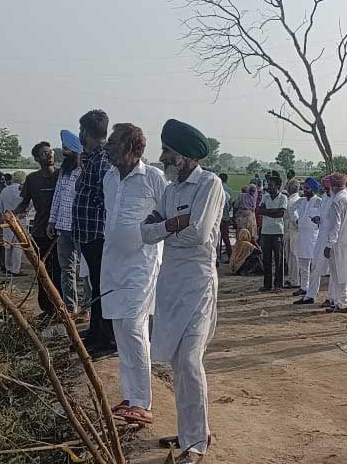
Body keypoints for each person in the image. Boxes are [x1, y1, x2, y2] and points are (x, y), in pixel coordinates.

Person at [141, 118, 227, 464]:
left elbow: (200, 234)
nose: (163, 157)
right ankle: (192, 430)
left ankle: (195, 445)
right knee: (178, 364)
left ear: (186, 156)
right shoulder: (170, 189)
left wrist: (166, 228)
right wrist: (174, 224)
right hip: (171, 283)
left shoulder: (210, 184)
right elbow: (144, 233)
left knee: (190, 361)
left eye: (168, 152)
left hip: (198, 284)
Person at [102, 122, 167, 425]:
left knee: (133, 326)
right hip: (112, 263)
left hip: (142, 264)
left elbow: (168, 214)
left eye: (113, 143)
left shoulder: (154, 178)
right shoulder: (109, 178)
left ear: (132, 148)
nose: (108, 147)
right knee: (120, 329)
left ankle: (142, 402)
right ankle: (130, 396)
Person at [72, 109, 115, 356]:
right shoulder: (92, 157)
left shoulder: (102, 160)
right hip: (89, 234)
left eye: (81, 131)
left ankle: (107, 339)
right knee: (95, 286)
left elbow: (105, 198)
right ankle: (96, 332)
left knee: (102, 286)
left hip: (98, 234)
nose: (79, 135)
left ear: (87, 132)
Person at [17, 141, 64, 315]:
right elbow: (25, 203)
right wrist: (12, 214)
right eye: (44, 153)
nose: (49, 155)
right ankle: (46, 307)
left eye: (50, 152)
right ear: (37, 158)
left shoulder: (62, 175)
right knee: (42, 272)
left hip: (60, 233)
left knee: (60, 271)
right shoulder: (32, 179)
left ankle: (60, 307)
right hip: (40, 232)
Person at [48, 133, 83, 318]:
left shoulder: (85, 170)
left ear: (76, 151)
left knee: (84, 270)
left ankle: (87, 309)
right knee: (66, 269)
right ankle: (71, 308)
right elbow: (57, 197)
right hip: (62, 226)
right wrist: (52, 221)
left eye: (66, 149)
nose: (63, 152)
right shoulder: (64, 171)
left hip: (80, 227)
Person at [317, 173, 347, 313]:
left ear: (333, 187)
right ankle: (338, 301)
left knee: (338, 274)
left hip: (339, 242)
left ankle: (342, 303)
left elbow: (335, 225)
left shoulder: (337, 200)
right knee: (343, 274)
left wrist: (329, 244)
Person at [299, 176, 335, 306]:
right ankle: (310, 295)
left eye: (328, 188)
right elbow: (322, 215)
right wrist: (318, 218)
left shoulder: (338, 199)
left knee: (332, 270)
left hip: (332, 239)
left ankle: (332, 298)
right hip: (321, 236)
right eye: (324, 188)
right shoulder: (325, 198)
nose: (326, 190)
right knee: (315, 267)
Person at [291, 178, 322, 298]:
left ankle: (313, 290)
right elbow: (292, 209)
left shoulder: (319, 201)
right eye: (304, 188)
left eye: (308, 188)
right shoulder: (301, 201)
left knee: (314, 267)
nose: (305, 190)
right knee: (303, 265)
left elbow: (322, 215)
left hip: (313, 238)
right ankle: (304, 288)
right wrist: (296, 219)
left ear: (313, 190)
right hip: (302, 236)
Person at [257, 176, 288, 291]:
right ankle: (267, 284)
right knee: (266, 259)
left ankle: (278, 284)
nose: (268, 187)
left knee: (278, 259)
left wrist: (266, 211)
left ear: (278, 186)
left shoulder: (283, 198)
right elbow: (259, 210)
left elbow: (280, 213)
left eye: (271, 185)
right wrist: (272, 211)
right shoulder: (265, 197)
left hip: (277, 232)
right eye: (268, 184)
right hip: (265, 232)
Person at [0, 171, 27, 276]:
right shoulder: (23, 190)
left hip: (7, 219)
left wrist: (5, 214)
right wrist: (25, 212)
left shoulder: (4, 190)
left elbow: (1, 206)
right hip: (20, 219)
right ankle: (15, 269)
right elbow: (29, 203)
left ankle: (8, 267)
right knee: (18, 245)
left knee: (8, 244)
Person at [283, 179, 302, 288]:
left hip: (291, 230)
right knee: (293, 256)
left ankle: (294, 280)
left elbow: (295, 218)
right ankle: (293, 278)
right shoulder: (298, 199)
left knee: (292, 256)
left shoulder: (291, 202)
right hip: (294, 230)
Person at [218, 173, 234, 261]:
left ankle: (215, 257)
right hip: (226, 216)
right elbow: (231, 203)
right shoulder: (229, 189)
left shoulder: (218, 188)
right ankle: (230, 256)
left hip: (218, 217)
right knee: (226, 238)